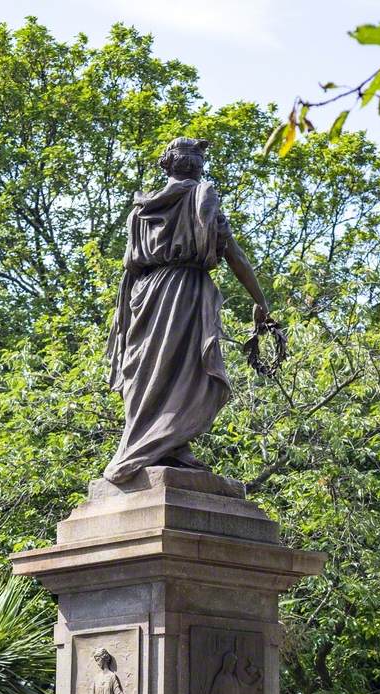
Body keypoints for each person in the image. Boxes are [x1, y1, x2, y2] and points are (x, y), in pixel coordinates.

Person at [105, 137, 270, 483]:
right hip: (183, 291)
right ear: (198, 166)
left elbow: (129, 267)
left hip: (144, 295)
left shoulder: (140, 210)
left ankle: (170, 447)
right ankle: (161, 445)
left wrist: (124, 318)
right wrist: (260, 300)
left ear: (167, 165)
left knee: (150, 369)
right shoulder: (201, 195)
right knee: (182, 369)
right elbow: (233, 254)